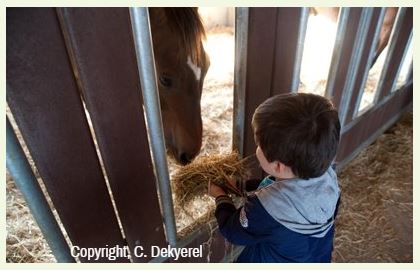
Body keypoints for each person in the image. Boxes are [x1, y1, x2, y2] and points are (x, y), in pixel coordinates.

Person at [208, 93, 341, 263]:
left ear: (278, 166)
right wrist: (242, 186)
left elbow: (233, 231)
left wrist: (221, 196)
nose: (257, 148)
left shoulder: (265, 209)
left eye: (259, 146)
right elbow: (288, 189)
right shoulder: (329, 181)